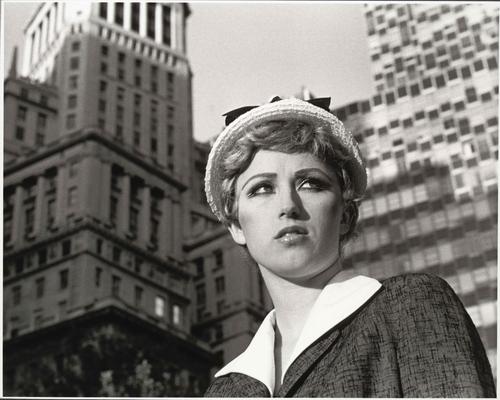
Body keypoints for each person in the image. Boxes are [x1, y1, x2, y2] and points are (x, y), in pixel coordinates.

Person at [203, 96, 495, 397]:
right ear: (236, 225)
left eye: (311, 184)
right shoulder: (226, 388)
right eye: (262, 188)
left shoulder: (410, 305)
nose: (288, 205)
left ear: (346, 215)